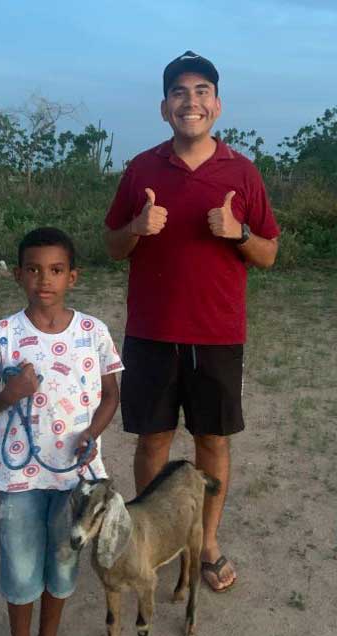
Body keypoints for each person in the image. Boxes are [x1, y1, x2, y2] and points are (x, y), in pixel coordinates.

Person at [104, 51, 279, 592]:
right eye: (179, 92)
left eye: (202, 91)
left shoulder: (242, 173)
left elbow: (269, 253)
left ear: (217, 105)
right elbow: (112, 246)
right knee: (152, 441)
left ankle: (206, 543)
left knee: (213, 443)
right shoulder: (142, 169)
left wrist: (238, 232)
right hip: (152, 334)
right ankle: (149, 539)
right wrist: (136, 224)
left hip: (218, 334)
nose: (191, 101)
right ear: (164, 108)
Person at [0, 227, 123, 636]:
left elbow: (111, 394)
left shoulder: (93, 331)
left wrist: (92, 433)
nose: (45, 279)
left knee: (63, 563)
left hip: (75, 477)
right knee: (20, 568)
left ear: (73, 276)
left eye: (56, 270)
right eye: (34, 270)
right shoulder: (3, 333)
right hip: (19, 475)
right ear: (19, 275)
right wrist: (9, 394)